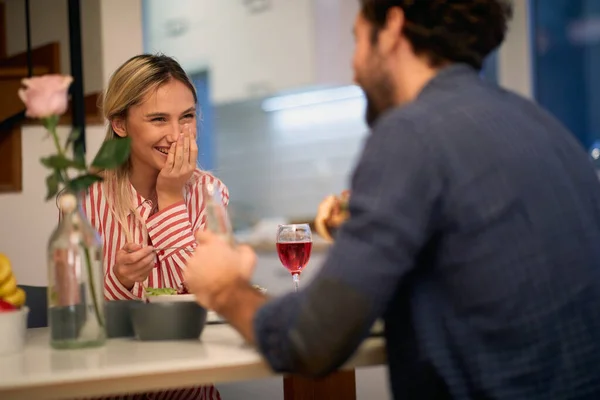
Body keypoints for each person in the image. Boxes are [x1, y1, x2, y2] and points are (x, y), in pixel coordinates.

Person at [183, 1, 600, 399]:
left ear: (393, 29)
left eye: (358, 40)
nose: (354, 67)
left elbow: (310, 340)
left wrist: (224, 289)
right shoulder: (541, 124)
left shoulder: (410, 133)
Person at [82, 54, 225, 400]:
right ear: (120, 124)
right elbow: (82, 321)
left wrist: (171, 197)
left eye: (187, 117)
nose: (177, 135)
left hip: (189, 391)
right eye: (159, 119)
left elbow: (211, 297)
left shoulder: (210, 193)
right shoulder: (85, 200)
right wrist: (121, 280)